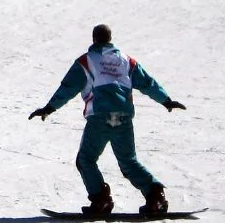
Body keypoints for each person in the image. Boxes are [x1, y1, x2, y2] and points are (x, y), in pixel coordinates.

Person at [28, 24, 186, 216]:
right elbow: (147, 82)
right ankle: (156, 197)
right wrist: (166, 100)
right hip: (124, 117)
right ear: (110, 39)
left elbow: (68, 87)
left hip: (100, 118)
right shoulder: (126, 61)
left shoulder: (86, 61)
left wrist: (49, 108)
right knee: (129, 161)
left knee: (86, 159)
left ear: (94, 39)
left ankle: (101, 200)